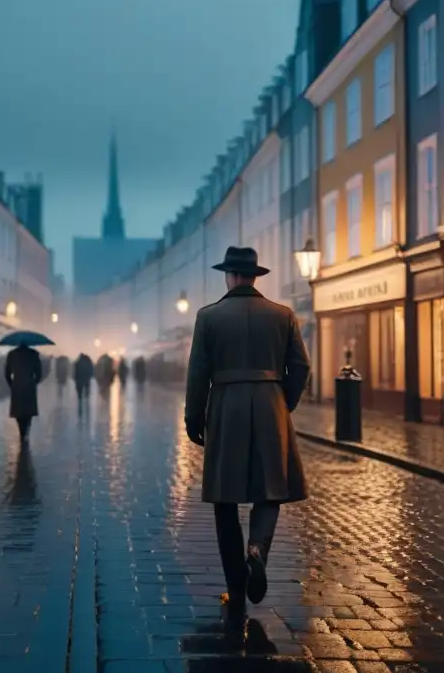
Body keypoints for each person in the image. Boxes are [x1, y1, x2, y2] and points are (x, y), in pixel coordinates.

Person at [184, 246, 310, 622]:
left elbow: (197, 376)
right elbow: (301, 367)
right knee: (270, 490)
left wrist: (195, 419)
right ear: (255, 276)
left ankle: (236, 589)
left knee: (225, 500)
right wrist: (281, 401)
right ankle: (257, 549)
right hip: (270, 403)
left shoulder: (209, 318)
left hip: (225, 407)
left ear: (229, 276)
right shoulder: (283, 316)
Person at [5, 344, 44, 445]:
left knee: (18, 410)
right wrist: (35, 382)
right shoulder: (33, 354)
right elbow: (39, 373)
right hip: (29, 385)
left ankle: (22, 430)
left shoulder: (12, 354)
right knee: (28, 410)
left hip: (17, 385)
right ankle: (26, 428)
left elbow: (7, 372)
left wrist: (11, 384)